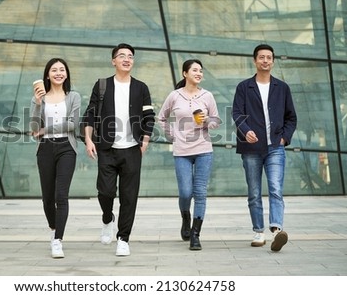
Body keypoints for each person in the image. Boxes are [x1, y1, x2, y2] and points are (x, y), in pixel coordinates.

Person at [83, 43, 155, 257]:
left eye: (130, 56)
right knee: (105, 192)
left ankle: (123, 238)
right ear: (113, 60)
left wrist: (145, 141)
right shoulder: (102, 85)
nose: (127, 59)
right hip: (107, 147)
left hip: (132, 148)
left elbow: (149, 117)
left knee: (129, 196)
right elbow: (90, 114)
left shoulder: (141, 87)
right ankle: (107, 217)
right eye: (122, 56)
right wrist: (88, 139)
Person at [232, 44, 297, 252]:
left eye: (269, 57)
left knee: (276, 189)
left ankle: (277, 230)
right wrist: (246, 131)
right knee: (254, 192)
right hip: (251, 148)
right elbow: (237, 114)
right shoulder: (244, 87)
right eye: (261, 57)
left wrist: (284, 138)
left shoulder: (282, 88)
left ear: (273, 61)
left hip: (275, 147)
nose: (265, 60)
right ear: (255, 61)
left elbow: (291, 118)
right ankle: (258, 231)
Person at [158, 59, 221, 250]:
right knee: (186, 192)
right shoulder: (174, 96)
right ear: (185, 73)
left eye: (201, 70)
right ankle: (185, 215)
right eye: (195, 70)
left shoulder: (207, 96)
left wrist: (206, 122)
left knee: (200, 193)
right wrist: (172, 136)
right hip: (182, 152)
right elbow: (161, 118)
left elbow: (216, 120)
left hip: (203, 150)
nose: (199, 73)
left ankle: (195, 233)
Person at [30, 58, 81, 258]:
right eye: (54, 70)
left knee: (61, 196)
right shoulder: (38, 98)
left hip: (66, 147)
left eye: (62, 70)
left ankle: (58, 240)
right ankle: (53, 229)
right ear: (47, 74)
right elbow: (34, 129)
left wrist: (46, 129)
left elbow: (72, 124)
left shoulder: (73, 96)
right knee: (47, 198)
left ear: (66, 74)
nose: (58, 73)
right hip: (45, 149)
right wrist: (36, 103)